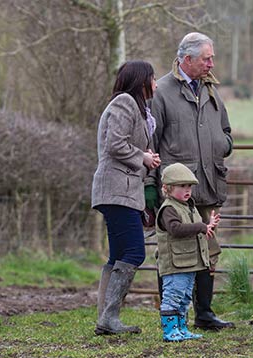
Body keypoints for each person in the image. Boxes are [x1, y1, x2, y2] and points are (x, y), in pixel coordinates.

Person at [149, 32, 234, 330]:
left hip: (208, 184)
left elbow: (226, 130)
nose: (212, 63)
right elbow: (151, 142)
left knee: (208, 251)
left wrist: (221, 144)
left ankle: (205, 314)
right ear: (187, 59)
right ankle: (172, 317)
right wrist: (151, 190)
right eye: (206, 58)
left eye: (211, 57)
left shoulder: (211, 89)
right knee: (173, 253)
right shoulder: (161, 91)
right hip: (174, 190)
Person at [91, 60, 161, 335]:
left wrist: (146, 159)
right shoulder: (125, 103)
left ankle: (106, 319)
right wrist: (142, 157)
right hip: (117, 189)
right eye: (153, 79)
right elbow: (115, 143)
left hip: (120, 190)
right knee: (134, 252)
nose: (156, 84)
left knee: (118, 255)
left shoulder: (139, 109)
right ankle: (109, 318)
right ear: (142, 81)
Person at [156, 163, 221, 342]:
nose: (187, 190)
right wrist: (201, 227)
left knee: (184, 297)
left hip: (189, 262)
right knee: (173, 296)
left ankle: (181, 328)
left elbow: (193, 229)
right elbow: (175, 229)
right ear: (168, 188)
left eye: (189, 186)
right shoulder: (169, 209)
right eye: (182, 186)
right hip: (175, 264)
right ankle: (170, 330)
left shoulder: (188, 207)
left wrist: (208, 226)